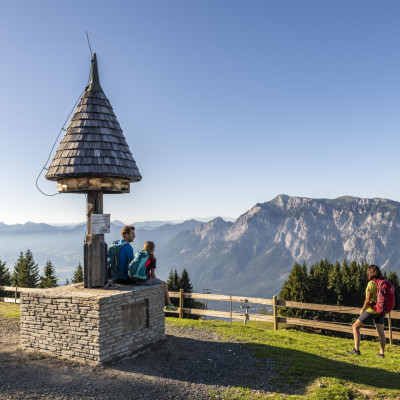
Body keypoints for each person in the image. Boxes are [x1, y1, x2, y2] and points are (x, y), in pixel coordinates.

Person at [347, 264, 386, 358]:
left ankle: (356, 350)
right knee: (381, 332)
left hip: (372, 309)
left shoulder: (371, 283)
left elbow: (367, 300)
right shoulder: (382, 282)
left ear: (370, 273)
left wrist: (362, 310)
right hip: (381, 310)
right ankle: (381, 353)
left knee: (355, 327)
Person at [134, 241, 177, 311]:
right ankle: (169, 304)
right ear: (152, 249)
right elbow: (153, 274)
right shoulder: (152, 258)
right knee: (164, 283)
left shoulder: (138, 255)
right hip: (145, 281)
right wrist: (155, 280)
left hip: (134, 280)